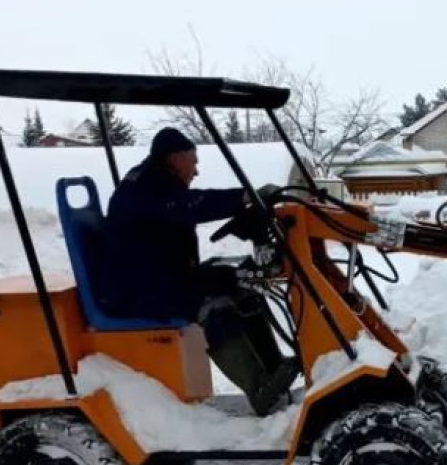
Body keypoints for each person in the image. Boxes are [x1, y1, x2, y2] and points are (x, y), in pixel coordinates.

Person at [100, 127, 299, 416]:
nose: (196, 170)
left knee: (237, 281)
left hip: (158, 277)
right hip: (135, 291)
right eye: (193, 161)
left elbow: (183, 206)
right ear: (175, 157)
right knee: (212, 303)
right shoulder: (145, 188)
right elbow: (189, 206)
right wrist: (243, 197)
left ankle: (275, 369)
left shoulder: (158, 182)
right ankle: (259, 389)